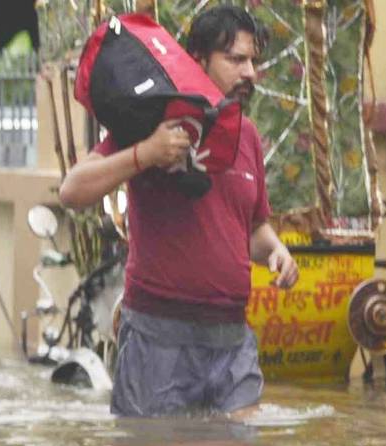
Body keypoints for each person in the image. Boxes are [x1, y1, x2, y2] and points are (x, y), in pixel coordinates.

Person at [58, 5, 299, 418]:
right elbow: (72, 191)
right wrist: (144, 153)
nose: (249, 73)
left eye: (254, 62)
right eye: (236, 60)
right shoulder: (155, 123)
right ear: (198, 60)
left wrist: (277, 250)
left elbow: (253, 227)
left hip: (232, 339)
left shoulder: (249, 137)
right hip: (157, 338)